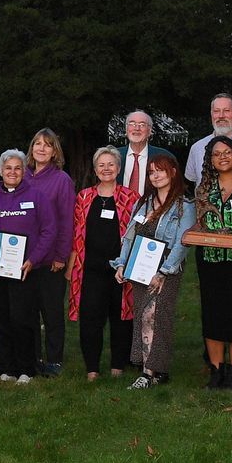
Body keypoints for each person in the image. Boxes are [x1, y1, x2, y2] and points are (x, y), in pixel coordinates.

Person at [114, 149, 196, 389]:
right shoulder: (144, 202)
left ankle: (149, 372)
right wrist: (122, 263)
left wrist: (164, 272)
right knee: (143, 316)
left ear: (172, 172)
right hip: (140, 267)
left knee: (156, 316)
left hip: (166, 269)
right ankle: (153, 369)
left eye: (160, 170)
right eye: (151, 172)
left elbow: (182, 242)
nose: (155, 176)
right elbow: (130, 235)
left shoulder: (184, 205)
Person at [0, 149, 52, 384]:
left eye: (18, 168)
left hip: (25, 270)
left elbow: (49, 230)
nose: (13, 172)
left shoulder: (37, 196)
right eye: (8, 168)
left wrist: (33, 259)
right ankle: (7, 367)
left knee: (22, 319)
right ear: (0, 171)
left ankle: (26, 368)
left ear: (24, 170)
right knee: (1, 319)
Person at [185, 136, 232, 389]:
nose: (222, 157)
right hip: (210, 260)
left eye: (227, 152)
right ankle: (215, 370)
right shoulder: (204, 187)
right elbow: (199, 221)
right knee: (212, 313)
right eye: (216, 154)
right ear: (210, 160)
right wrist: (188, 234)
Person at [70, 146, 137, 381]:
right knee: (90, 319)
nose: (106, 169)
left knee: (121, 318)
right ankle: (92, 368)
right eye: (102, 165)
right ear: (95, 169)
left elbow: (136, 233)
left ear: (118, 168)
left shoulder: (131, 198)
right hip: (89, 269)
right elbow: (76, 232)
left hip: (121, 269)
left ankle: (118, 365)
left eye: (111, 164)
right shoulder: (84, 197)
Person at [25, 128, 75, 377]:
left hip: (50, 260)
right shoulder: (21, 176)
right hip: (23, 259)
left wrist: (61, 256)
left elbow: (67, 221)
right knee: (28, 311)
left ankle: (54, 359)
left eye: (47, 145)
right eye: (37, 144)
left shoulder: (61, 180)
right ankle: (31, 357)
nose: (41, 148)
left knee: (52, 312)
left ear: (55, 151)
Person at [118, 110, 158, 200]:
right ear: (126, 129)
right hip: (118, 211)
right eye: (132, 124)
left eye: (142, 125)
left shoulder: (163, 156)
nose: (137, 128)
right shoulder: (113, 156)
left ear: (149, 131)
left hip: (153, 211)